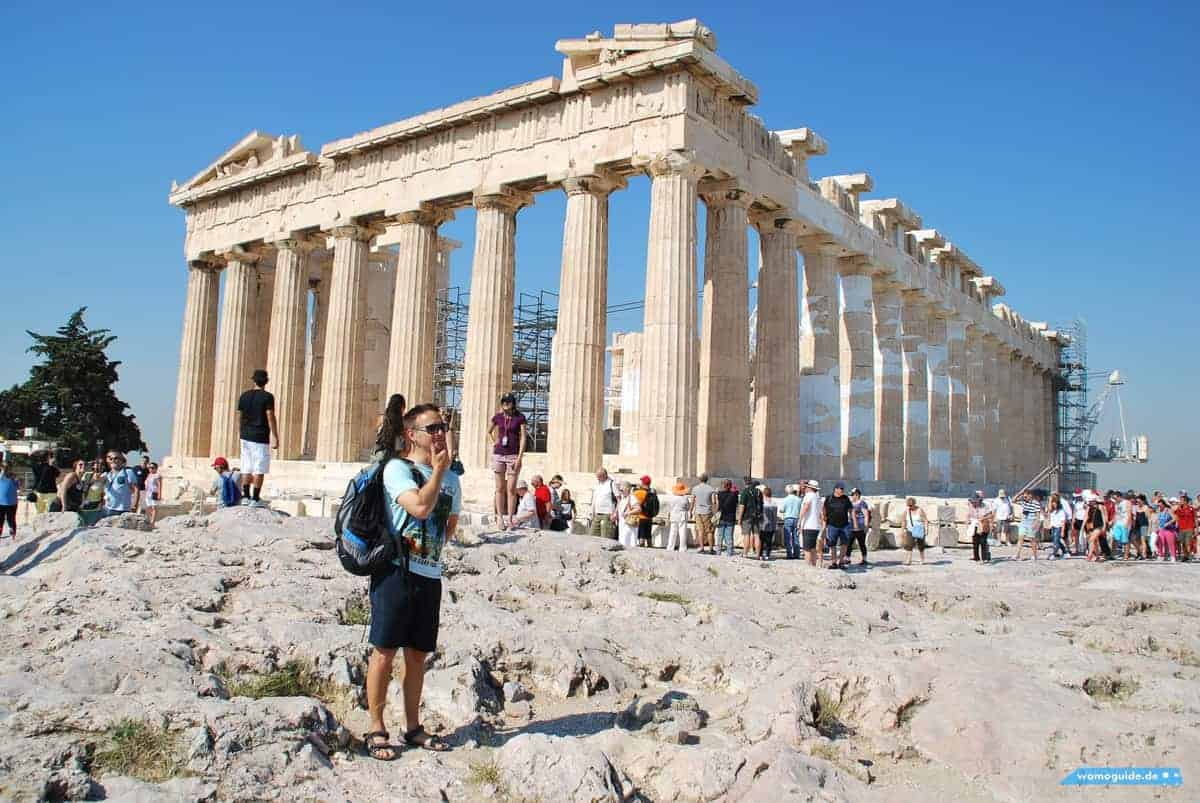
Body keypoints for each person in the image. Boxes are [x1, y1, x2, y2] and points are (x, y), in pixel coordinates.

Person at [364, 402, 460, 760]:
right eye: (432, 428)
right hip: (395, 572)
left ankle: (413, 727)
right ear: (411, 434)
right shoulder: (397, 469)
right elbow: (419, 507)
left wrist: (443, 476)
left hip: (429, 575)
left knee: (418, 656)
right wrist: (437, 473)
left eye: (441, 428)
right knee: (384, 652)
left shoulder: (453, 479)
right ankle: (376, 727)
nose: (439, 434)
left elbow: (449, 527)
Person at [237, 369, 278, 508]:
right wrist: (275, 435)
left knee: (246, 466)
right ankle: (255, 498)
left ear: (253, 380)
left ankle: (245, 496)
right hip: (260, 436)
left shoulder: (244, 396)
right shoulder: (268, 397)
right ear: (266, 381)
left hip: (245, 436)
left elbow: (240, 417)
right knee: (259, 468)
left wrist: (241, 432)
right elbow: (270, 416)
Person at [488, 393, 526, 529]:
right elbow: (489, 431)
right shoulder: (498, 417)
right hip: (499, 455)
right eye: (504, 401)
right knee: (499, 488)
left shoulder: (520, 417)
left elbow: (523, 437)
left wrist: (520, 457)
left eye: (508, 401)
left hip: (513, 456)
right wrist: (494, 442)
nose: (505, 403)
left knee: (511, 489)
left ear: (513, 403)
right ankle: (499, 517)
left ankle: (510, 518)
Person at [101, 451, 141, 518]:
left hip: (123, 510)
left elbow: (136, 490)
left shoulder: (128, 472)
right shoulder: (106, 475)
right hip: (107, 509)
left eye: (116, 458)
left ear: (122, 460)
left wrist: (135, 505)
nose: (113, 460)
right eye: (110, 459)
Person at [823, 483, 854, 570]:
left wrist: (853, 522)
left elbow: (851, 510)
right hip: (832, 525)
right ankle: (833, 562)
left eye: (843, 489)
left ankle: (841, 562)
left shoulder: (846, 498)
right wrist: (824, 519)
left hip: (844, 525)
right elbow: (824, 509)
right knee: (832, 544)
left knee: (844, 544)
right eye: (841, 489)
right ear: (835, 489)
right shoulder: (829, 498)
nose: (842, 490)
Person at [690, 474, 717, 554]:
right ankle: (711, 549)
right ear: (707, 479)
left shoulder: (695, 488)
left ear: (700, 479)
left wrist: (690, 511)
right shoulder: (711, 489)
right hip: (708, 512)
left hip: (698, 512)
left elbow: (692, 501)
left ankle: (702, 548)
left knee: (700, 531)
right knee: (709, 531)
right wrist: (715, 512)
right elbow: (714, 502)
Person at [799, 480, 823, 567]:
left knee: (807, 548)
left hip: (808, 525)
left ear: (809, 488)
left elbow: (806, 507)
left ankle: (808, 565)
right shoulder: (818, 497)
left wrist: (799, 521)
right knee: (813, 548)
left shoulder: (809, 495)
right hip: (816, 525)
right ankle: (813, 564)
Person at [589, 468, 618, 540]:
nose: (597, 478)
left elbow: (619, 499)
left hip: (607, 514)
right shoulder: (597, 485)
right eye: (597, 476)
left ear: (604, 475)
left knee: (605, 538)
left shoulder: (611, 484)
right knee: (592, 536)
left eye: (599, 476)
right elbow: (594, 499)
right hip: (597, 514)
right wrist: (591, 512)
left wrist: (615, 513)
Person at [1014, 490, 1043, 561]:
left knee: (1032, 540)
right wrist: (1019, 494)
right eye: (1024, 496)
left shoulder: (1036, 503)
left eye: (1026, 496)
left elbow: (1038, 515)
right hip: (1023, 522)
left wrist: (1036, 523)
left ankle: (1035, 555)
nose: (1025, 497)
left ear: (1030, 495)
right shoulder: (1024, 502)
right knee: (1020, 538)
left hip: (1031, 522)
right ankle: (1017, 555)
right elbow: (1014, 500)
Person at [739, 478, 763, 559]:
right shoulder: (759, 492)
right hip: (757, 516)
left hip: (747, 516)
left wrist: (740, 518)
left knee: (747, 535)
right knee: (757, 535)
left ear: (745, 483)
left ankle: (745, 553)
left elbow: (742, 506)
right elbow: (761, 504)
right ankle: (758, 555)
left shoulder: (745, 492)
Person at [664, 480, 691, 553]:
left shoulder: (672, 498)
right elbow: (688, 507)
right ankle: (682, 548)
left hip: (674, 515)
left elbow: (669, 507)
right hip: (682, 515)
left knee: (673, 532)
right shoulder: (685, 498)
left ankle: (670, 547)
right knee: (682, 532)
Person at [715, 479, 739, 557]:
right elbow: (737, 504)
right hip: (731, 518)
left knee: (720, 536)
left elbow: (717, 505)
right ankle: (729, 553)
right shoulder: (734, 495)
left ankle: (718, 552)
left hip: (721, 517)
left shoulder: (719, 494)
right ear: (730, 486)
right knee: (729, 536)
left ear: (723, 485)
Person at [902, 496, 928, 565]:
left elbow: (925, 520)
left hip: (919, 529)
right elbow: (903, 521)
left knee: (920, 545)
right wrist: (902, 530)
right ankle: (909, 560)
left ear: (914, 504)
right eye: (908, 505)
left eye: (911, 505)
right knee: (909, 545)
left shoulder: (920, 510)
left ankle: (922, 559)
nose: (910, 507)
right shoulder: (906, 511)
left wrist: (926, 529)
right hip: (910, 530)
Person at [968, 490, 992, 562]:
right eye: (973, 501)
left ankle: (984, 558)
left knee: (983, 541)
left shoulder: (985, 506)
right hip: (975, 525)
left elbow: (991, 515)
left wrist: (983, 518)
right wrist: (968, 521)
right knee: (975, 542)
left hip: (983, 525)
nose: (974, 503)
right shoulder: (971, 506)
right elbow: (969, 514)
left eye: (975, 501)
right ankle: (976, 557)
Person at [848, 488, 871, 566]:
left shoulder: (862, 503)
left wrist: (866, 526)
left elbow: (866, 515)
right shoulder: (851, 503)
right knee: (849, 543)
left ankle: (864, 559)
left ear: (857, 495)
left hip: (860, 526)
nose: (851, 496)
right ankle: (847, 558)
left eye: (852, 495)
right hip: (851, 526)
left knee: (861, 543)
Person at [439, 407, 464, 476]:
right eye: (443, 413)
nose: (445, 414)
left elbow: (450, 449)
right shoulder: (443, 428)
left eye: (444, 413)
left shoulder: (448, 429)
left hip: (447, 462)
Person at [633, 476, 657, 548]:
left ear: (642, 483)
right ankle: (650, 546)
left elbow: (635, 503)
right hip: (650, 516)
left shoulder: (639, 492)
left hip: (641, 516)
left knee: (642, 535)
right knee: (648, 535)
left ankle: (642, 548)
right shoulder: (653, 492)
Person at [780, 484, 803, 560]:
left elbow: (782, 510)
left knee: (787, 537)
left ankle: (789, 554)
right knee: (796, 537)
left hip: (788, 518)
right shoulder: (799, 499)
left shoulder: (785, 499)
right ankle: (797, 554)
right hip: (796, 518)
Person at [1083, 493, 1108, 562]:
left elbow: (1104, 516)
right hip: (1092, 526)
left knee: (1091, 540)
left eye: (1090, 501)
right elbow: (1086, 517)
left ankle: (1090, 555)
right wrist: (1083, 527)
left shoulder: (1100, 506)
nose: (1089, 502)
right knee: (1094, 541)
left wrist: (1104, 526)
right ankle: (1097, 556)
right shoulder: (1089, 507)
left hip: (1099, 526)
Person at [616, 481, 639, 548]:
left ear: (627, 489)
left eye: (622, 490)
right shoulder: (623, 498)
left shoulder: (632, 498)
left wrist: (628, 513)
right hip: (623, 524)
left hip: (629, 524)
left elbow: (638, 509)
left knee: (629, 543)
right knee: (623, 542)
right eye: (620, 490)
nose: (620, 492)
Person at [1045, 492, 1068, 559]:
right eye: (1052, 503)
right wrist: (1050, 500)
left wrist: (1062, 531)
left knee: (1055, 541)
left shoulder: (1061, 511)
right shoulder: (1052, 511)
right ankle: (1065, 552)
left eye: (1054, 503)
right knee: (1056, 540)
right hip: (1053, 526)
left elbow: (1063, 522)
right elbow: (1049, 510)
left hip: (1059, 527)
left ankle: (1054, 554)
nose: (1053, 504)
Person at [0, 462, 20, 540]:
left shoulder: (14, 477)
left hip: (11, 503)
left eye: (7, 467)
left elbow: (18, 487)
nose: (5, 469)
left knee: (10, 519)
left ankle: (13, 534)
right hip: (2, 502)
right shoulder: (1, 476)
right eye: (4, 467)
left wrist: (14, 479)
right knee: (2, 519)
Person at [759, 485, 778, 561]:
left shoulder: (762, 502)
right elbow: (775, 516)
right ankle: (767, 555)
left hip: (763, 524)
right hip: (771, 524)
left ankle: (760, 554)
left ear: (763, 493)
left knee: (761, 540)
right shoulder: (774, 502)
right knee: (769, 541)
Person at [1174, 494, 1195, 562]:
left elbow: (1195, 519)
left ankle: (1189, 556)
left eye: (1182, 500)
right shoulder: (1179, 509)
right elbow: (1175, 514)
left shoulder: (1191, 509)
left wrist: (1196, 529)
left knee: (1188, 543)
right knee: (1182, 543)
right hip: (1181, 528)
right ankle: (1185, 556)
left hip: (1189, 528)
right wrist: (1179, 507)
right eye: (1180, 500)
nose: (1180, 501)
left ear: (1185, 501)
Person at [143, 462, 162, 526]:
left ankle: (152, 522)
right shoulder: (149, 475)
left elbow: (159, 485)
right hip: (148, 493)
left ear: (156, 468)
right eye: (149, 468)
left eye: (152, 468)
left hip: (154, 493)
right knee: (149, 507)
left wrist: (159, 494)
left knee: (154, 508)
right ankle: (150, 520)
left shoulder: (157, 475)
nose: (150, 469)